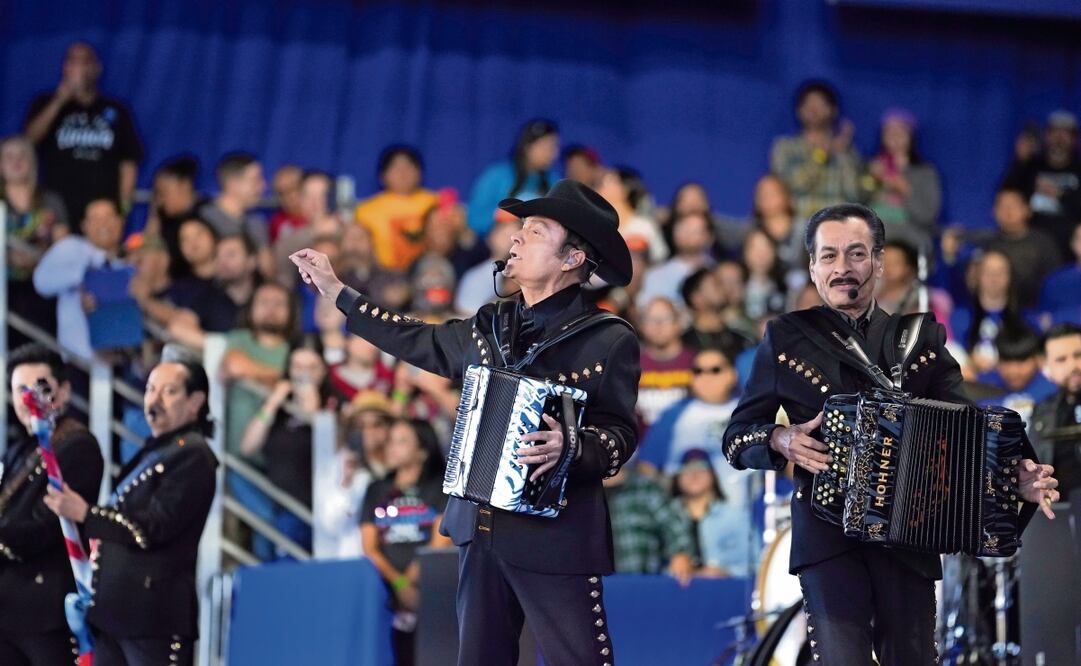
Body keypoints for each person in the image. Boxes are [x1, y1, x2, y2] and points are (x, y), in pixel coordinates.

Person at [292, 178, 639, 666]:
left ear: (572, 258)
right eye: (520, 228)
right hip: (481, 528)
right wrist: (339, 294)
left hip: (556, 536)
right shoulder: (490, 322)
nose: (515, 237)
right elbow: (416, 338)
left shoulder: (607, 339)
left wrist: (574, 446)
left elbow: (622, 435)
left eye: (535, 231)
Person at [723, 202, 1058, 664]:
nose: (843, 268)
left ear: (879, 263)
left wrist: (1012, 481)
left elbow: (967, 434)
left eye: (857, 254)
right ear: (813, 268)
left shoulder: (922, 337)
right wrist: (780, 441)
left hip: (912, 538)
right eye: (829, 256)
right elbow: (737, 435)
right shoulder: (786, 336)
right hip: (826, 537)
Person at [44, 358, 217, 666]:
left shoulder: (193, 455)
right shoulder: (156, 450)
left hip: (153, 620)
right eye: (151, 389)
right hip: (116, 617)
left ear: (195, 402)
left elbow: (153, 527)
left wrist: (87, 514)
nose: (155, 400)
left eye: (169, 391)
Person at [0, 344, 103, 665]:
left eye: (39, 387)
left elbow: (47, 525)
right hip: (9, 609)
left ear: (64, 391)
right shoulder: (18, 449)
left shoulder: (78, 445)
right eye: (20, 389)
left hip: (47, 613)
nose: (28, 398)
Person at [360, 417, 452, 666]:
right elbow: (369, 547)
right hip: (386, 590)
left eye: (401, 441)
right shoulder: (376, 489)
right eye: (390, 440)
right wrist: (399, 583)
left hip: (432, 587)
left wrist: (412, 580)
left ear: (422, 451)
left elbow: (440, 540)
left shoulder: (440, 487)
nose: (391, 447)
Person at [241, 340, 342, 555]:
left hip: (312, 507)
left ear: (323, 371)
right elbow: (247, 447)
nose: (303, 374)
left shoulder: (333, 403)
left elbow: (335, 453)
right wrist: (273, 401)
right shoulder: (279, 408)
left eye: (311, 367)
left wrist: (313, 414)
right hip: (275, 504)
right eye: (297, 366)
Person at [23, 42, 143, 222]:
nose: (79, 67)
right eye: (73, 61)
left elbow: (128, 163)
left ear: (97, 68)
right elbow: (28, 142)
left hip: (101, 210)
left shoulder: (116, 109)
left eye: (85, 61)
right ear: (64, 67)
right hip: (56, 209)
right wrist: (59, 100)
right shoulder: (45, 103)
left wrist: (123, 210)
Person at [32, 197, 128, 360]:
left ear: (120, 222)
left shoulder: (129, 261)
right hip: (78, 359)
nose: (103, 223)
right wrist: (83, 276)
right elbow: (41, 282)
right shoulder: (71, 247)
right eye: (96, 218)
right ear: (84, 226)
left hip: (117, 359)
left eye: (109, 217)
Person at [1, 134, 66, 343]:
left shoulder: (51, 200)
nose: (16, 161)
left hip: (42, 288)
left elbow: (64, 247)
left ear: (32, 161)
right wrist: (10, 258)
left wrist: (38, 258)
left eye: (22, 155)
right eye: (9, 156)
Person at [769, 80, 861, 222]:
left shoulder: (847, 151)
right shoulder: (785, 147)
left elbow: (855, 195)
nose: (813, 108)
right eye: (808, 103)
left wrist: (844, 155)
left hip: (838, 228)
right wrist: (822, 154)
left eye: (820, 103)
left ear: (833, 110)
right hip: (799, 227)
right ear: (798, 110)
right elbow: (792, 186)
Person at [860, 108, 942, 253]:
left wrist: (905, 189)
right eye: (889, 132)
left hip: (910, 245)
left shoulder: (925, 172)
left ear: (911, 137)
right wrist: (871, 179)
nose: (895, 137)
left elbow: (928, 216)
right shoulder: (870, 167)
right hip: (873, 245)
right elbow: (856, 206)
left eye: (901, 132)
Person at [602, 460, 694, 582]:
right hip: (589, 588)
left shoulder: (646, 488)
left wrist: (681, 554)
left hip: (640, 584)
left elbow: (674, 526)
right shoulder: (577, 492)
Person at [670, 448, 758, 577]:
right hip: (674, 590)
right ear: (678, 477)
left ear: (713, 474)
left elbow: (759, 564)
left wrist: (726, 573)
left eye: (701, 467)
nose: (694, 474)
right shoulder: (666, 517)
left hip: (726, 591)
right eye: (686, 468)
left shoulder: (735, 517)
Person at [1002, 110, 1081, 249]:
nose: (1059, 139)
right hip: (1030, 245)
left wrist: (1060, 194)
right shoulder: (1031, 167)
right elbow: (1006, 197)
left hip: (1070, 247)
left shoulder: (1078, 170)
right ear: (1046, 136)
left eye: (1065, 133)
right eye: (1054, 132)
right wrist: (1020, 162)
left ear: (1075, 139)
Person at [467, 119, 560, 236]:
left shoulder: (554, 181)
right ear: (527, 147)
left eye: (555, 147)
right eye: (547, 147)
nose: (554, 154)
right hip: (500, 243)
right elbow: (474, 218)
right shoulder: (497, 176)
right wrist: (502, 215)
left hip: (540, 246)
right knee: (510, 230)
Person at [354, 145, 437, 272]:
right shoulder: (365, 211)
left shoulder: (435, 203)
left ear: (420, 172)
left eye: (409, 166)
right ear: (382, 176)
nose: (403, 173)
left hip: (428, 272)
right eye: (395, 168)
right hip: (381, 277)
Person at [198, 152, 272, 275]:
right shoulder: (202, 220)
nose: (263, 186)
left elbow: (268, 271)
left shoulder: (257, 223)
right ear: (232, 184)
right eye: (255, 180)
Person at [1031, 323, 1081, 500]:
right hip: (1061, 515)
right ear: (1046, 367)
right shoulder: (1042, 412)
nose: (1073, 365)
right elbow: (1034, 469)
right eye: (1061, 360)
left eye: (1078, 355)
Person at [636, 297, 696, 429]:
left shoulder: (697, 362)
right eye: (651, 319)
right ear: (641, 326)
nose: (658, 325)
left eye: (666, 318)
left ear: (679, 323)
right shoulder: (630, 365)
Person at [142, 156, 201, 280]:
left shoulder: (204, 215)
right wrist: (154, 217)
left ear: (184, 186)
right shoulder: (165, 220)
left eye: (163, 193)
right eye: (156, 194)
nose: (160, 200)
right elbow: (145, 245)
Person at [639, 212, 715, 307]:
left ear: (709, 237)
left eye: (695, 231)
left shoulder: (717, 273)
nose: (688, 235)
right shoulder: (656, 276)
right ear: (675, 235)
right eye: (684, 230)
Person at [596, 166, 668, 264]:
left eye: (608, 181)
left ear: (625, 189)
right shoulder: (596, 226)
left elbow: (659, 257)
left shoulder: (643, 226)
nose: (599, 187)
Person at [679, 267, 755, 360]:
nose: (724, 288)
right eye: (716, 284)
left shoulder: (742, 340)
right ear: (697, 298)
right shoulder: (683, 344)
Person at [455, 217, 519, 314]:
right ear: (491, 237)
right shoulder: (474, 276)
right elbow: (465, 314)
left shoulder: (527, 273)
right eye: (504, 235)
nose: (509, 242)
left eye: (514, 238)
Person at [267, 164, 305, 244]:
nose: (286, 197)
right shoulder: (277, 223)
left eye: (291, 189)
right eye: (281, 193)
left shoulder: (317, 215)